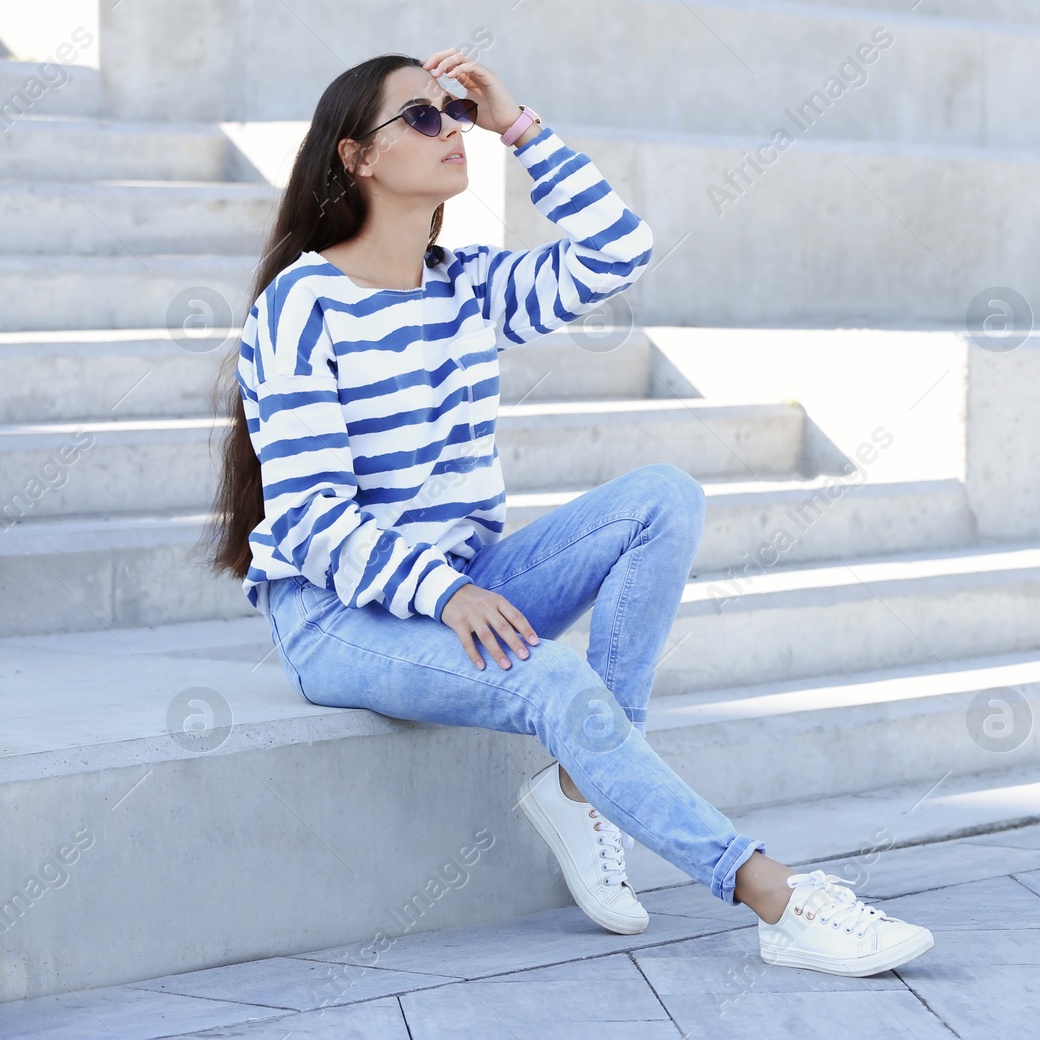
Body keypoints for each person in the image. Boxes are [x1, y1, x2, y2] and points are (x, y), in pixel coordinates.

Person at [201, 47, 933, 978]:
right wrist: (440, 597)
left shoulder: (463, 283)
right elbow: (309, 518)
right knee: (554, 682)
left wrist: (520, 128)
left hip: (465, 584)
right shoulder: (305, 305)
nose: (448, 130)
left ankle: (584, 783)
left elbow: (617, 250)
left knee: (663, 496)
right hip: (339, 617)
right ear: (357, 158)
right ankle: (772, 895)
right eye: (420, 119)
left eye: (452, 112)